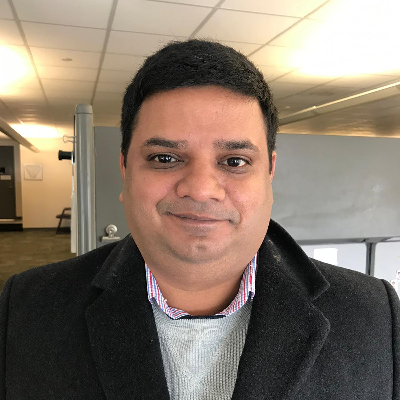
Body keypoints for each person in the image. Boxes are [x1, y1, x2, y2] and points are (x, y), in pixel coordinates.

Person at [0, 40, 399, 400]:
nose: (202, 189)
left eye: (235, 161)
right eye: (165, 158)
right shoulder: (26, 309)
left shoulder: (373, 315)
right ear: (125, 171)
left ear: (269, 173)